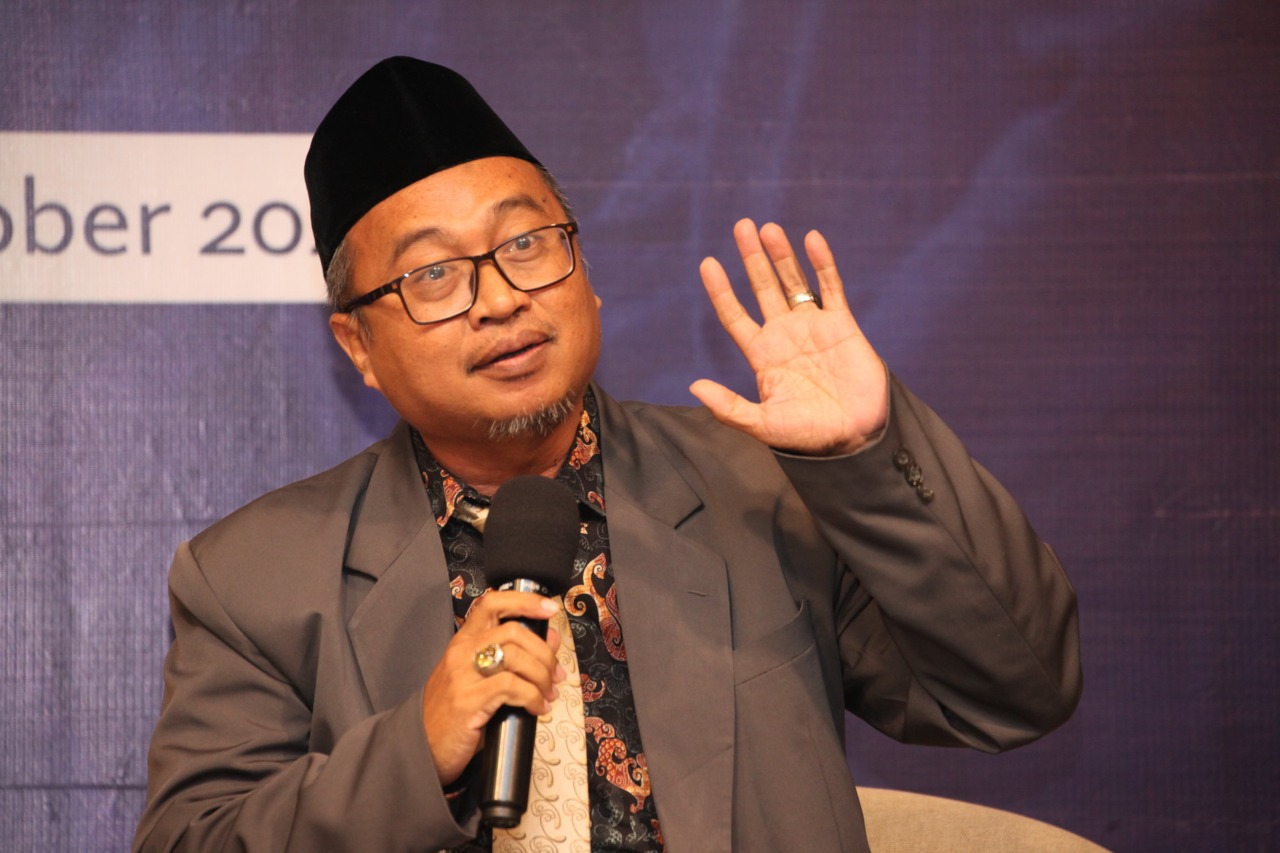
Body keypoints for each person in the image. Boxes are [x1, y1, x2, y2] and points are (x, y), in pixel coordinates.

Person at [134, 57, 1081, 853]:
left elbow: (1018, 692)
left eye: (527, 242)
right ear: (359, 346)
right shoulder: (254, 579)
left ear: (584, 271)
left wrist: (867, 458)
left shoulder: (757, 491)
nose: (501, 298)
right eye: (435, 274)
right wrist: (415, 750)